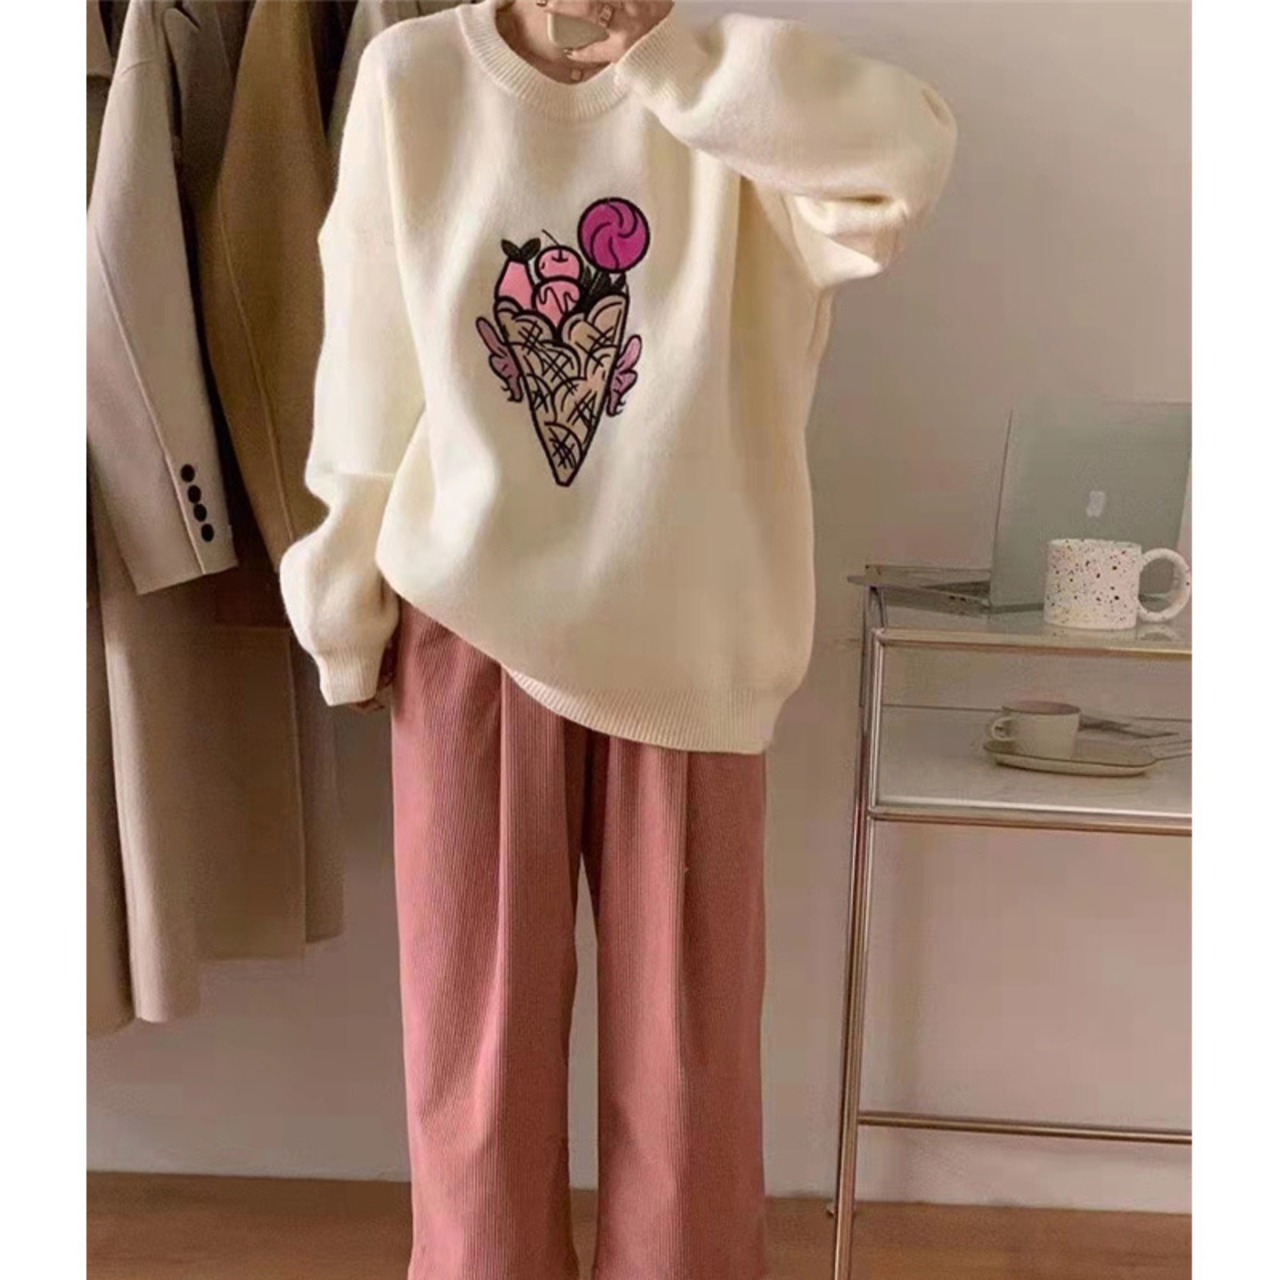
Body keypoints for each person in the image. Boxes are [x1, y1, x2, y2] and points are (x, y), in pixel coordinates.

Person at [281, 2, 957, 1276]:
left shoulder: (728, 92)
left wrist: (673, 64)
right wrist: (344, 609)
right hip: (470, 629)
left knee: (689, 1066)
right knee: (475, 1062)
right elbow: (366, 366)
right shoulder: (414, 78)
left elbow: (901, 163)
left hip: (690, 640)